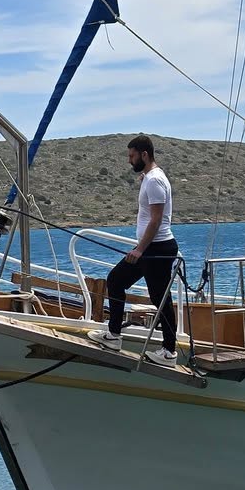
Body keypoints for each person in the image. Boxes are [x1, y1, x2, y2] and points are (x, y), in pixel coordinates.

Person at [90, 134, 179, 364]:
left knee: (160, 299)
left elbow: (156, 220)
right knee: (116, 281)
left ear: (144, 154)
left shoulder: (155, 180)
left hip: (157, 249)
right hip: (150, 248)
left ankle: (169, 352)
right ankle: (113, 335)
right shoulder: (150, 178)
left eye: (132, 156)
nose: (129, 160)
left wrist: (139, 250)